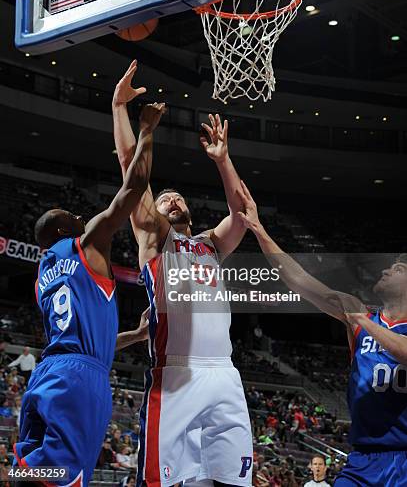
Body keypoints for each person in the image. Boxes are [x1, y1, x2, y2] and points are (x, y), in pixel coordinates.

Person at [112, 60, 253, 487]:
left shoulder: (210, 243)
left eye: (178, 197)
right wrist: (121, 111)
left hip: (225, 373)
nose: (171, 200)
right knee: (161, 480)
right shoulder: (157, 241)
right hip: (177, 372)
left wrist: (223, 161)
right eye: (164, 198)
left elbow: (244, 213)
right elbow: (132, 177)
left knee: (231, 480)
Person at [13, 91, 163, 487]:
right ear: (64, 230)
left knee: (32, 469)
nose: (82, 216)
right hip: (79, 382)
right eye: (73, 216)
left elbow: (84, 342)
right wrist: (146, 130)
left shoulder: (43, 275)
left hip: (47, 374)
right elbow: (135, 187)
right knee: (62, 478)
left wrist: (136, 335)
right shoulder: (88, 242)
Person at [235, 179, 407, 487]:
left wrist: (364, 323)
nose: (385, 270)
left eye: (396, 270)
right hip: (363, 459)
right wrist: (260, 230)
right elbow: (298, 279)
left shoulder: (363, 321)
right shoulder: (359, 315)